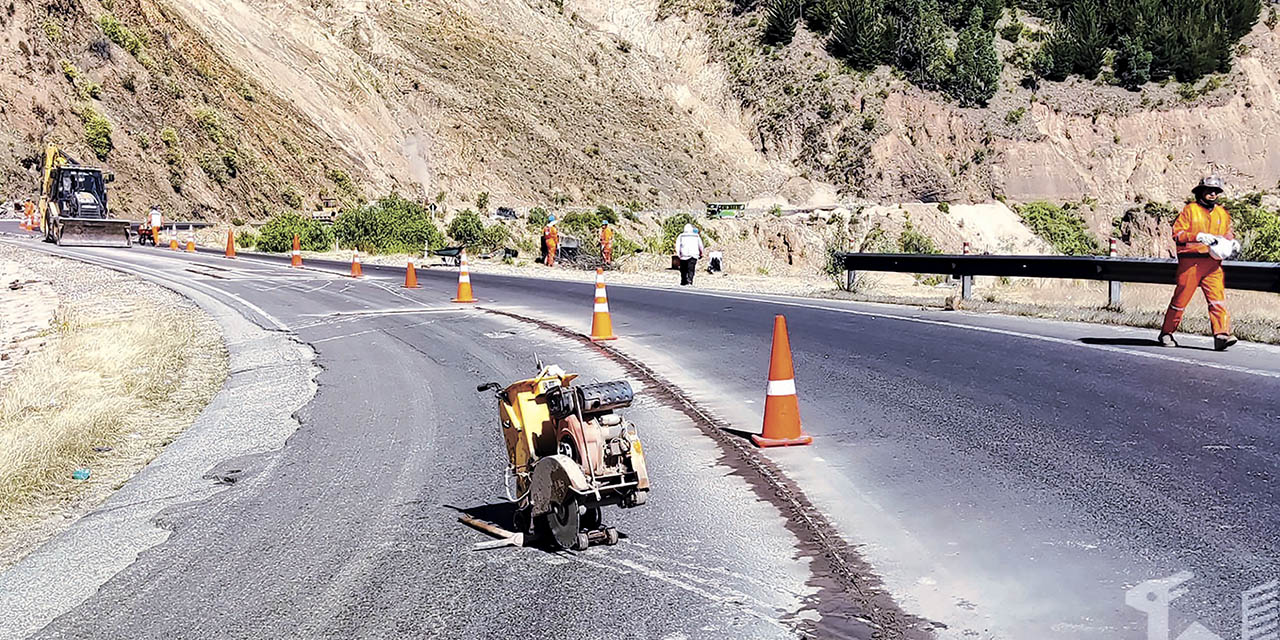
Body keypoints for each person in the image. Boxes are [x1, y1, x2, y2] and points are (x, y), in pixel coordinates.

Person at [1160, 176, 1237, 351]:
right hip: (1191, 264)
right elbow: (1177, 234)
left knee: (1218, 300)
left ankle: (1221, 335)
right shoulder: (1190, 211)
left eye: (1215, 191)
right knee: (1180, 301)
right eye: (1209, 190)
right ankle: (1167, 332)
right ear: (1200, 192)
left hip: (1213, 264)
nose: (1212, 194)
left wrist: (1232, 242)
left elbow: (1227, 233)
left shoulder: (1222, 213)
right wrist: (1197, 236)